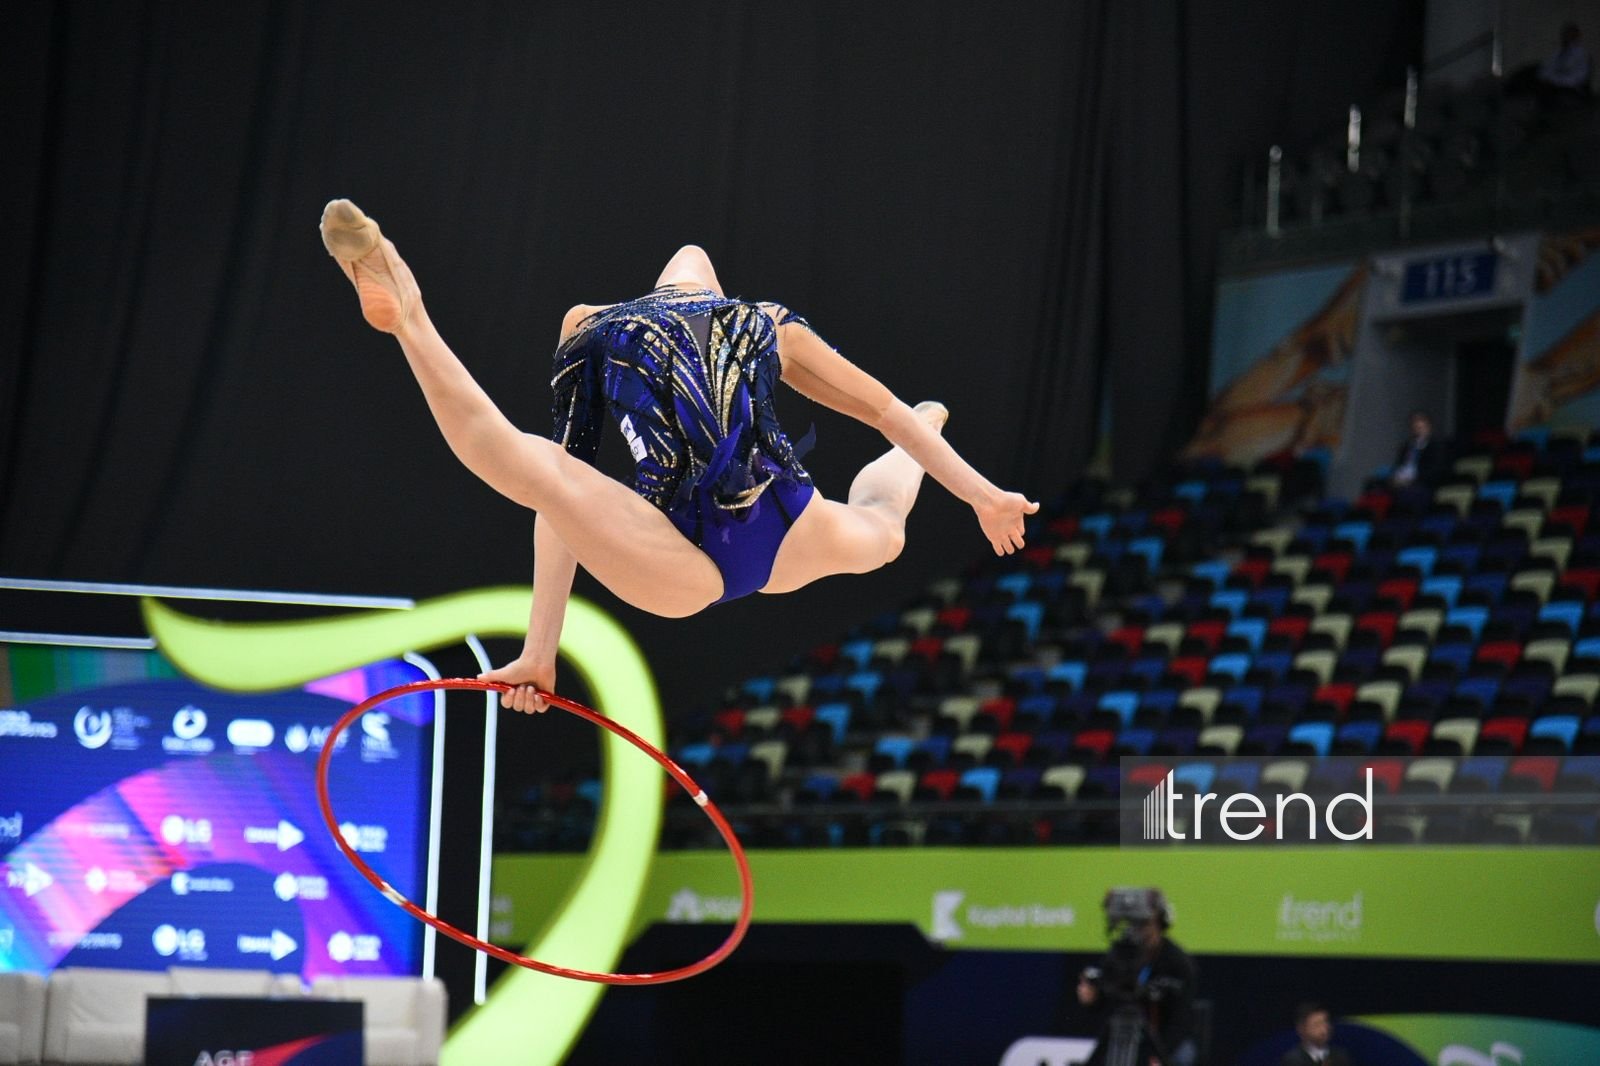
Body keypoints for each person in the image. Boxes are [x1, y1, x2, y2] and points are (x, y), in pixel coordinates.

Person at [318, 200, 1038, 712]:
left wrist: (542, 650)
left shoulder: (593, 331)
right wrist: (982, 495)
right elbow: (880, 409)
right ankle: (931, 420)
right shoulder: (764, 323)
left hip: (675, 551)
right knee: (884, 525)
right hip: (786, 516)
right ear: (710, 290)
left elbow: (560, 501)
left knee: (533, 466)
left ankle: (413, 320)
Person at [1076, 889, 1198, 1066]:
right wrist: (1092, 999)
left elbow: (1181, 1019)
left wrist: (1161, 1055)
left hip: (1164, 1035)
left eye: (1145, 923)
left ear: (1160, 923)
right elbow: (1105, 999)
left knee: (1182, 1056)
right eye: (1133, 924)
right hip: (1124, 1031)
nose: (1139, 931)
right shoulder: (1118, 955)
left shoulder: (1178, 962)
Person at [1279, 1002, 1353, 1066]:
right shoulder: (1292, 1060)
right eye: (1317, 1025)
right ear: (1301, 1029)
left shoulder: (1340, 1056)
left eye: (1325, 1023)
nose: (1324, 1030)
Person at [1389, 411, 1446, 489]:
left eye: (1421, 428)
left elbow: (1434, 470)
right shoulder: (1407, 446)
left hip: (1421, 482)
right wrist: (1395, 476)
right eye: (1416, 427)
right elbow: (1398, 464)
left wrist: (1412, 479)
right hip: (1401, 478)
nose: (1418, 430)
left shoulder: (1436, 446)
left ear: (1429, 427)